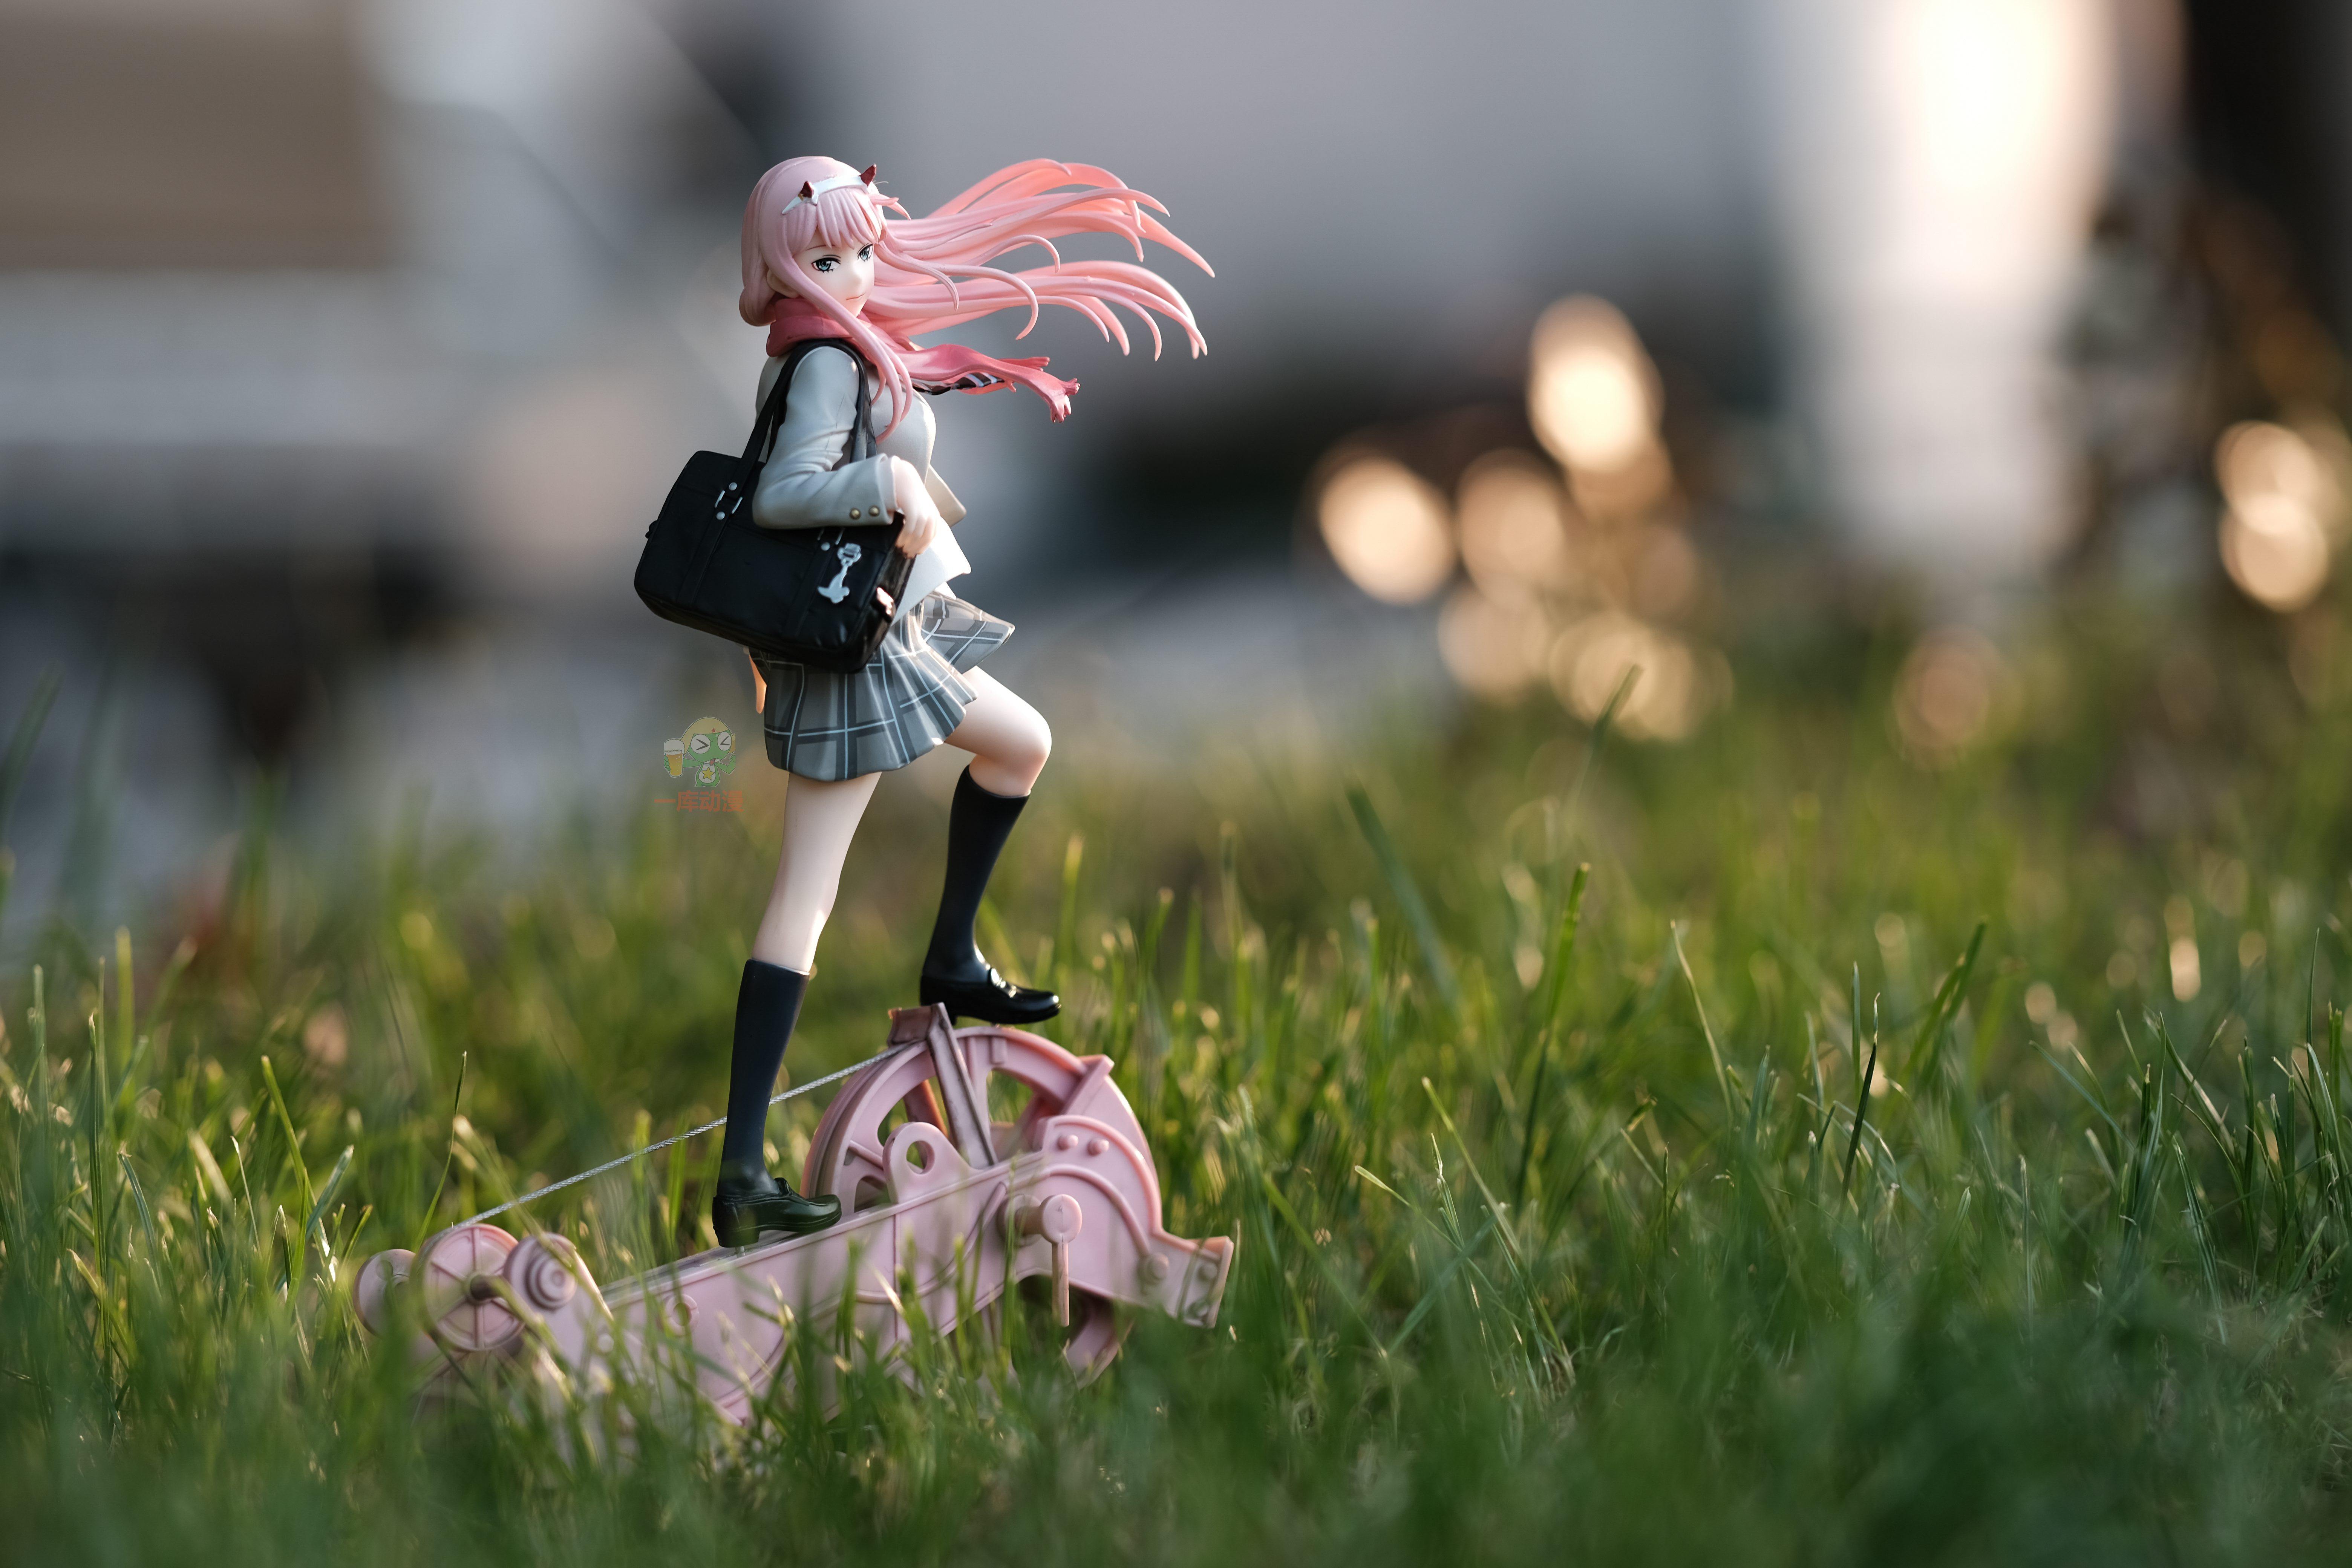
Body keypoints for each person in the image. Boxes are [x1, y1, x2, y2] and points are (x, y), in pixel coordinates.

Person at [707, 156, 1209, 1247]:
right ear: (781, 267)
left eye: (862, 251)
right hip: (851, 660)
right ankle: (742, 1172)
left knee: (1020, 744)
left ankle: (951, 958)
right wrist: (889, 485)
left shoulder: (839, 349)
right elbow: (786, 495)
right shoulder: (823, 362)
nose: (853, 272)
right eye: (826, 259)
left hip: (890, 638)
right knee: (804, 900)